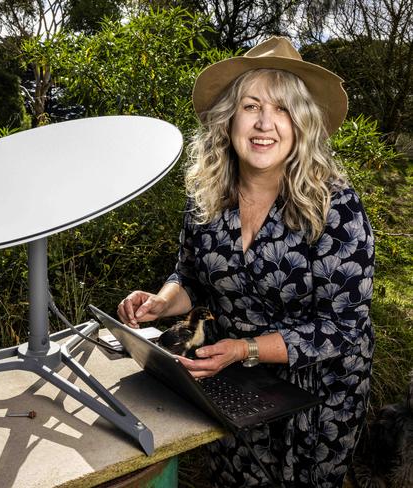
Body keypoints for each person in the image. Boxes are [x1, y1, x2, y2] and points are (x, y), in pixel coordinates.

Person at [117, 37, 374, 488]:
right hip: (231, 383)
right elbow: (193, 278)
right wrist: (161, 302)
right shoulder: (206, 199)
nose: (265, 124)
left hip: (318, 396)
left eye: (282, 109)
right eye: (252, 106)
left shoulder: (335, 207)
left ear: (302, 125)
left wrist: (247, 348)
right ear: (228, 119)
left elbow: (345, 325)